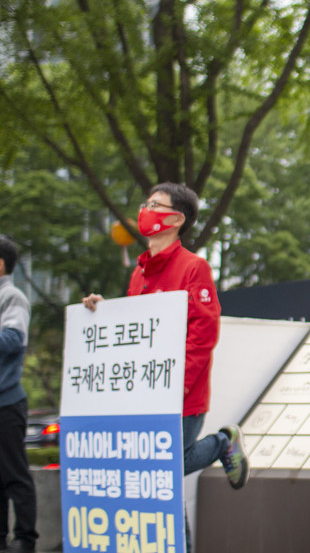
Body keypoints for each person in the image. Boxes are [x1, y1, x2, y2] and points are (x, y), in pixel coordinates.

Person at [82, 183, 248, 492]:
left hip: (182, 396)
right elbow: (137, 331)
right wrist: (104, 316)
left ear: (175, 220)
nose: (145, 211)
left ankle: (224, 442)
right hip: (147, 393)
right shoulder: (139, 274)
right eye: (146, 204)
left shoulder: (193, 268)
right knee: (156, 477)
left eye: (155, 205)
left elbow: (203, 335)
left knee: (170, 466)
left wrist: (176, 386)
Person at [0, 234, 39, 552]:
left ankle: (26, 539)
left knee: (15, 475)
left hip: (7, 402)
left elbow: (13, 339)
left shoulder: (12, 296)